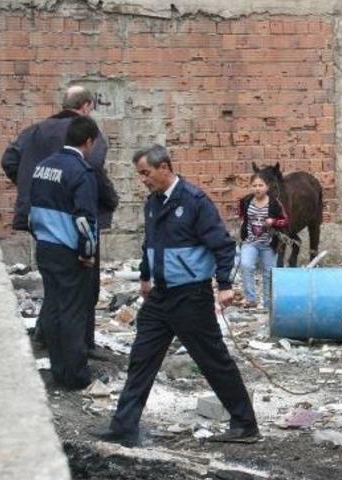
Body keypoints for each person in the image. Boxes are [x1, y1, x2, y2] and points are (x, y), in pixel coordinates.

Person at [96, 145, 259, 447]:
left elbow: (223, 246)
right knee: (141, 359)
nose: (143, 179)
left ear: (164, 168)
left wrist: (225, 284)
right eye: (139, 174)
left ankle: (245, 424)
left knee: (213, 360)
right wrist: (145, 276)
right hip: (160, 297)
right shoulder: (153, 203)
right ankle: (124, 427)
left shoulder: (194, 201)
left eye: (146, 173)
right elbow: (150, 243)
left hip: (190, 297)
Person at [2, 85, 118, 354]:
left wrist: (35, 188)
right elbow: (93, 170)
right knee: (84, 285)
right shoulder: (87, 133)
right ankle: (79, 347)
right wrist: (109, 199)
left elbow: (9, 160)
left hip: (42, 218)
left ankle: (46, 335)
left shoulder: (36, 130)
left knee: (54, 281)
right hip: (77, 217)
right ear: (86, 106)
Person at [28, 116, 101, 390]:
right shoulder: (81, 171)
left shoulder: (43, 167)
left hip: (45, 247)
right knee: (73, 313)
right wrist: (87, 253)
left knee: (54, 308)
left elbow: (32, 211)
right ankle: (76, 376)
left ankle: (58, 371)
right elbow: (85, 219)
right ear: (88, 142)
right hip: (69, 251)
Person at [238, 170, 289, 310]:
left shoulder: (274, 203)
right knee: (246, 265)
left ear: (267, 187)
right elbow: (242, 216)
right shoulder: (246, 201)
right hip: (250, 242)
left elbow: (285, 221)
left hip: (268, 244)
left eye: (261, 185)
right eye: (254, 185)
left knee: (268, 273)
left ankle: (268, 303)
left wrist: (273, 221)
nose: (257, 188)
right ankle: (251, 299)